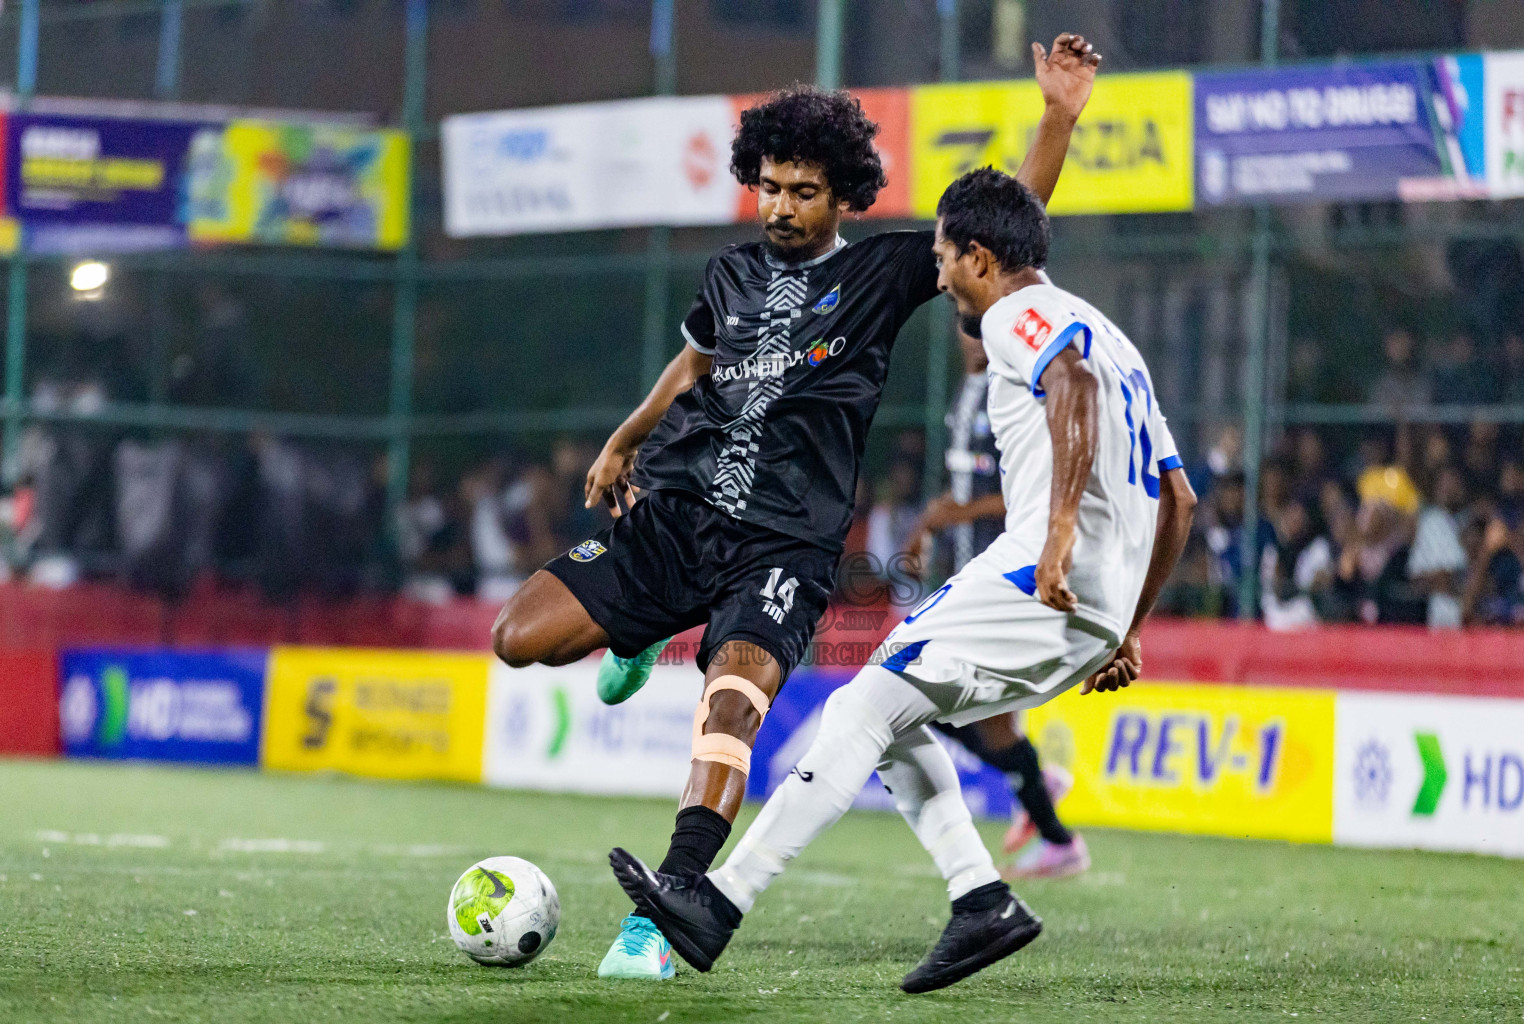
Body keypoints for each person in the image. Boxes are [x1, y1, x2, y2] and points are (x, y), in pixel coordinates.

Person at [489, 35, 1104, 981]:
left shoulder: (887, 273)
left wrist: (1058, 116)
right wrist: (625, 437)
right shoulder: (731, 272)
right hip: (676, 517)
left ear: (843, 195)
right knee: (516, 637)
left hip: (782, 547)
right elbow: (694, 358)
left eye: (802, 190)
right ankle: (639, 633)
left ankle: (669, 905)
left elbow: (1006, 232)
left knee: (729, 703)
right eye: (769, 185)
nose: (780, 205)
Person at [609, 166, 1197, 993]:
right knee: (889, 709)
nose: (941, 271)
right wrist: (1129, 625)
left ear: (981, 256)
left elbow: (1073, 387)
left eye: (945, 255)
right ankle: (978, 897)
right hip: (1094, 607)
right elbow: (1178, 497)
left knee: (861, 704)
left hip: (1039, 575)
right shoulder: (1110, 334)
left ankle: (715, 906)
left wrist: (1060, 537)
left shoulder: (1020, 316)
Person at [906, 323, 1084, 878]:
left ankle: (1053, 828)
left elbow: (1025, 495)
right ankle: (1039, 793)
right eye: (963, 329)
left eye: (980, 330)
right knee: (953, 711)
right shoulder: (966, 393)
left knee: (924, 698)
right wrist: (926, 528)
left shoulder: (1009, 394)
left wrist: (954, 516)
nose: (971, 340)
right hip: (964, 574)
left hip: (1003, 577)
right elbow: (963, 491)